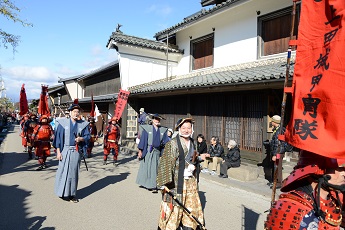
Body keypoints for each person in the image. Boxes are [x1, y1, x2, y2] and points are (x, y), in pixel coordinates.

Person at [265, 150, 345, 229]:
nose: (344, 174)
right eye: (339, 167)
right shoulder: (291, 207)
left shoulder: (334, 199)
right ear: (318, 169)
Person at [157, 118, 206, 230]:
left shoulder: (193, 143)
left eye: (188, 128)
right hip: (176, 182)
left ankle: (188, 225)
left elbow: (192, 157)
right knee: (174, 208)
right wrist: (164, 183)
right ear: (179, 129)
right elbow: (165, 164)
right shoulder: (172, 143)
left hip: (190, 182)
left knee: (190, 206)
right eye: (183, 128)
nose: (186, 130)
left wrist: (197, 160)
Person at [53, 100, 90, 203]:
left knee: (74, 173)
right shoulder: (62, 123)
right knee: (63, 171)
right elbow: (58, 139)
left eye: (77, 111)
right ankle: (62, 192)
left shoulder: (83, 124)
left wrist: (80, 139)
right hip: (64, 150)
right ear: (69, 112)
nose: (76, 113)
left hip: (76, 151)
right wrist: (58, 152)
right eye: (74, 111)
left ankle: (72, 194)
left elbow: (88, 136)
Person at [136, 113, 169, 193]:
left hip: (157, 152)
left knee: (155, 168)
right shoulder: (147, 129)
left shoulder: (162, 130)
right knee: (147, 168)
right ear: (152, 120)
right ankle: (149, 185)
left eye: (158, 119)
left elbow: (166, 142)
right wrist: (140, 151)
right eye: (155, 119)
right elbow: (143, 141)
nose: (157, 121)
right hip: (148, 151)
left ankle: (154, 184)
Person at [268, 115, 290, 189]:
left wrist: (275, 154)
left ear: (275, 122)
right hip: (279, 152)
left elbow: (278, 144)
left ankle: (278, 183)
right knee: (276, 166)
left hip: (278, 152)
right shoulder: (278, 129)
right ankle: (275, 181)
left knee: (278, 167)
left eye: (272, 121)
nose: (271, 122)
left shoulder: (279, 131)